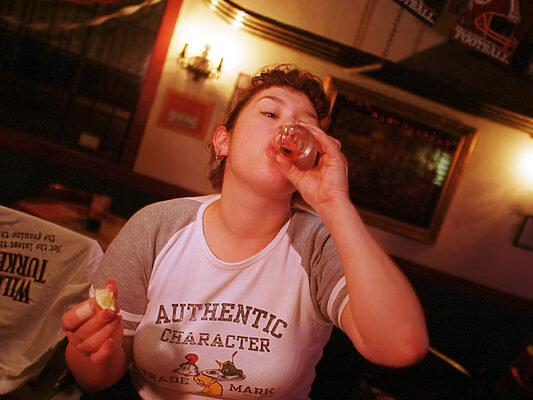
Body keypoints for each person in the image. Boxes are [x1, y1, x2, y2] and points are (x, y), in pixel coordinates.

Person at [61, 64, 429, 399]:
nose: (289, 129)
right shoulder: (155, 226)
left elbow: (401, 347)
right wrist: (92, 349)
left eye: (306, 125)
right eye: (270, 113)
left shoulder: (317, 243)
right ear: (223, 141)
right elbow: (95, 379)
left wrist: (335, 204)